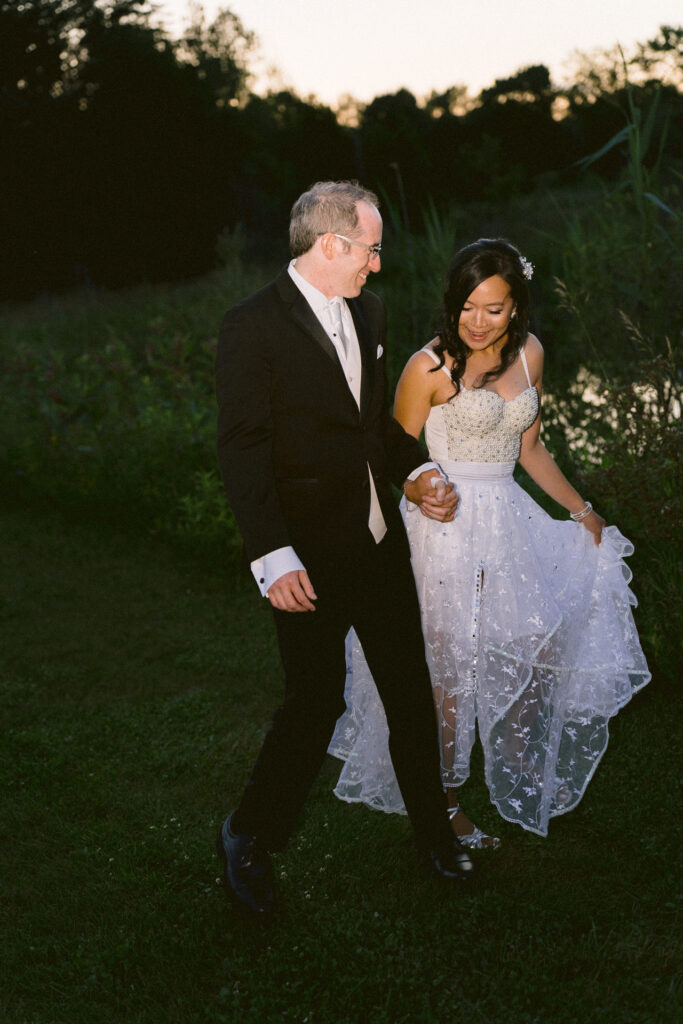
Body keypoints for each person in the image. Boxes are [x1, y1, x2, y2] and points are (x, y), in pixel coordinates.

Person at [330, 238, 651, 845]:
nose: (478, 323)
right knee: (449, 671)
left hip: (508, 521)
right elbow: (390, 454)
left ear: (516, 310)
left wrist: (584, 511)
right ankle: (444, 802)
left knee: (535, 639)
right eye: (468, 307)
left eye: (495, 309)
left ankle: (517, 756)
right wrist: (418, 486)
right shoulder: (426, 367)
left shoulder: (530, 355)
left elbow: (528, 448)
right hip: (445, 528)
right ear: (453, 303)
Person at [214, 181, 475, 916]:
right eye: (371, 248)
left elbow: (370, 432)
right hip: (304, 554)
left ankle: (434, 835)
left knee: (407, 689)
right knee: (314, 700)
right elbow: (242, 448)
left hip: (377, 541)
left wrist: (416, 469)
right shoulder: (251, 326)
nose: (377, 265)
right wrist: (272, 554)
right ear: (331, 245)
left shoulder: (370, 311)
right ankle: (250, 835)